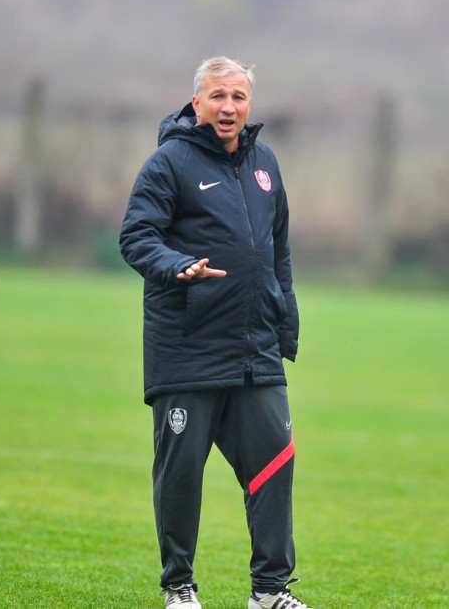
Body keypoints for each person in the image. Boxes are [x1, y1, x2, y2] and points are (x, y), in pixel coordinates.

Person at [120, 57, 314, 609]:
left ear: (249, 104)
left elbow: (279, 254)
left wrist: (285, 325)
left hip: (256, 352)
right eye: (218, 96)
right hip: (188, 348)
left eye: (239, 97)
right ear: (197, 102)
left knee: (276, 466)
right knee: (181, 474)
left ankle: (270, 592)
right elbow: (136, 236)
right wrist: (178, 266)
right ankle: (179, 587)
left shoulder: (266, 164)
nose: (229, 107)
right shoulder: (168, 163)